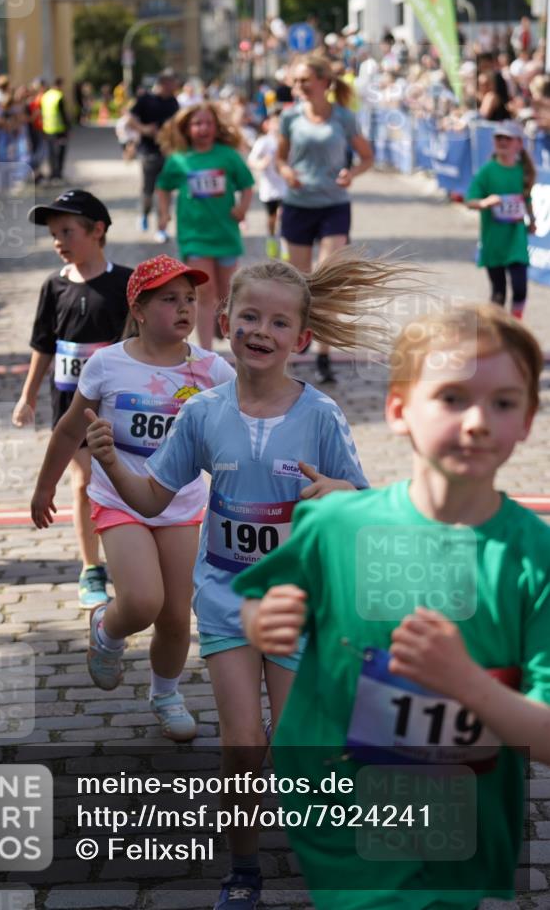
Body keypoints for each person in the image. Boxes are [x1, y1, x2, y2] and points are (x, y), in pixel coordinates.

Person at [84, 254, 414, 910]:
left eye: (279, 322)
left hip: (293, 602)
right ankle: (243, 872)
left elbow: (364, 499)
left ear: (302, 340)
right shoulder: (202, 413)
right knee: (242, 743)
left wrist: (338, 490)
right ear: (228, 323)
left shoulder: (318, 416)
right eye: (251, 317)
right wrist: (110, 464)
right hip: (225, 596)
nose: (261, 330)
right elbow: (151, 500)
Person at [237, 303, 550, 910]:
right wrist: (263, 621)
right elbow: (263, 599)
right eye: (453, 397)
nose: (479, 420)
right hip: (340, 819)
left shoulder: (535, 560)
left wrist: (468, 685)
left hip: (462, 833)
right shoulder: (333, 524)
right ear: (399, 409)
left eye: (504, 402)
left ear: (528, 421)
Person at [31, 255, 234, 740]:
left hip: (181, 505)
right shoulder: (108, 364)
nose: (184, 309)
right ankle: (107, 628)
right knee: (142, 601)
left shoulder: (213, 370)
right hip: (119, 500)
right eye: (169, 300)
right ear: (139, 310)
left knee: (173, 615)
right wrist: (45, 486)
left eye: (189, 299)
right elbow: (66, 430)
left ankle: (166, 694)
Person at [14, 190, 131, 608]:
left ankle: (134, 555)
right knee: (83, 483)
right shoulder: (54, 286)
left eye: (67, 231)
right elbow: (43, 344)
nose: (58, 241)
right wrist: (27, 397)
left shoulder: (126, 284)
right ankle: (90, 568)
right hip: (69, 408)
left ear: (97, 231)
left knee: (118, 482)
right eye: (52, 234)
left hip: (120, 408)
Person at [277, 52, 374, 383]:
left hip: (334, 204)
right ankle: (299, 338)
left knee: (326, 278)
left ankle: (323, 353)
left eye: (305, 80)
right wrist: (287, 172)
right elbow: (279, 157)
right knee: (300, 281)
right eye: (296, 80)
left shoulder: (343, 118)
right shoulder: (289, 117)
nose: (300, 85)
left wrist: (353, 173)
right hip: (297, 204)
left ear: (323, 82)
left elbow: (367, 156)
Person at [156, 102, 255, 350]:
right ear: (187, 128)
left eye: (208, 123)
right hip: (194, 235)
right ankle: (205, 352)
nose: (203, 128)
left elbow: (247, 184)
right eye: (197, 123)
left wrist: (242, 208)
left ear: (216, 126)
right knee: (204, 291)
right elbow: (163, 187)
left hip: (225, 233)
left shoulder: (227, 155)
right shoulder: (179, 159)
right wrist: (164, 214)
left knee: (227, 293)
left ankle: (221, 324)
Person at [465, 120, 536, 319]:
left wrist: (532, 219)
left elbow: (526, 198)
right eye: (499, 138)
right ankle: (496, 331)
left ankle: (515, 326)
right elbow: (470, 201)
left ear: (518, 144)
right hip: (494, 241)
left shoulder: (524, 171)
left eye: (508, 138)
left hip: (516, 240)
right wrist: (486, 202)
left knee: (520, 288)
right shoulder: (487, 172)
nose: (502, 141)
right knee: (499, 293)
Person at [127, 69, 179, 242]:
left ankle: (162, 227)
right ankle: (144, 212)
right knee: (148, 191)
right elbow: (129, 119)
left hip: (168, 153)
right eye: (172, 83)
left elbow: (177, 126)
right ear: (164, 83)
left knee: (165, 192)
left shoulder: (173, 102)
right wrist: (144, 129)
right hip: (148, 152)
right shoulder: (145, 99)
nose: (175, 87)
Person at [248, 109, 287, 259]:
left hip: (285, 187)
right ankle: (271, 238)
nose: (278, 126)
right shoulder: (264, 141)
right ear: (267, 125)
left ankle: (285, 244)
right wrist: (261, 164)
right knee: (272, 217)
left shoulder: (287, 140)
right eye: (275, 122)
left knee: (283, 216)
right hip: (269, 188)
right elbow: (252, 160)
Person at [41, 77, 70, 184]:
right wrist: (68, 128)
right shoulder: (59, 96)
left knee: (51, 153)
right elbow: (63, 114)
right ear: (59, 85)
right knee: (60, 152)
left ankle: (52, 172)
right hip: (59, 129)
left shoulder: (45, 96)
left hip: (47, 129)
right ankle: (58, 173)